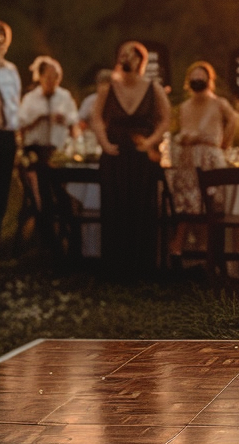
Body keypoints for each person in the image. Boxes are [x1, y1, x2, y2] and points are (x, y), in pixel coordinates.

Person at [92, 41, 171, 278]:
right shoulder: (108, 88)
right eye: (123, 54)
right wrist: (104, 143)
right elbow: (96, 117)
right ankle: (115, 267)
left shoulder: (153, 87)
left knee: (141, 208)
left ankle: (141, 267)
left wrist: (151, 141)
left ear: (140, 60)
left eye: (132, 55)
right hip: (115, 154)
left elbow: (166, 118)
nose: (127, 58)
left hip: (142, 157)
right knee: (115, 207)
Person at [167, 61, 238, 262]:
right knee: (187, 202)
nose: (198, 80)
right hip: (188, 158)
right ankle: (181, 247)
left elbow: (233, 120)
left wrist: (224, 144)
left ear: (209, 80)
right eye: (194, 77)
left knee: (211, 203)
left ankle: (208, 251)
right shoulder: (184, 106)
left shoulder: (219, 103)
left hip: (210, 157)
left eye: (201, 77)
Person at [19, 57, 79, 241]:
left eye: (56, 77)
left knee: (61, 189)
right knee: (43, 185)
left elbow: (74, 122)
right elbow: (19, 123)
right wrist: (38, 119)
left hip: (58, 153)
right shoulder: (30, 98)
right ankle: (48, 232)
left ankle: (67, 229)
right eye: (49, 77)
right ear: (41, 77)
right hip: (36, 152)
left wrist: (63, 119)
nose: (53, 81)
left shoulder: (64, 96)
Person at [0, 21, 21, 231]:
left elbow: (15, 103)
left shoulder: (11, 70)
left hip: (6, 135)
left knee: (3, 185)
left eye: (2, 41)